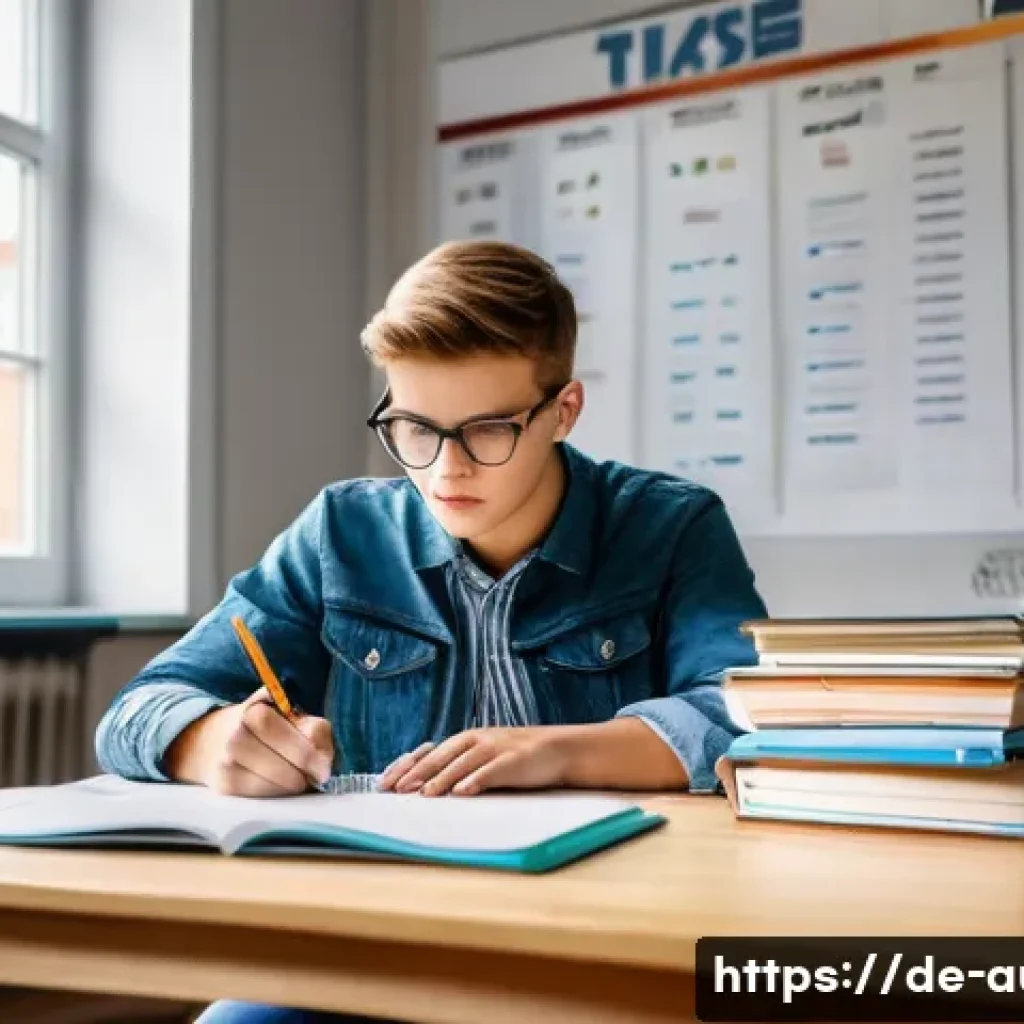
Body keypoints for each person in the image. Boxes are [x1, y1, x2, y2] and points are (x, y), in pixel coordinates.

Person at [95, 239, 768, 1023]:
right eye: (414, 427)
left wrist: (558, 752)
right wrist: (213, 742)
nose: (445, 470)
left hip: (605, 936)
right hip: (373, 938)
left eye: (487, 430)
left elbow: (747, 718)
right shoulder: (341, 532)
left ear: (564, 410)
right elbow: (140, 709)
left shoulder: (671, 525)